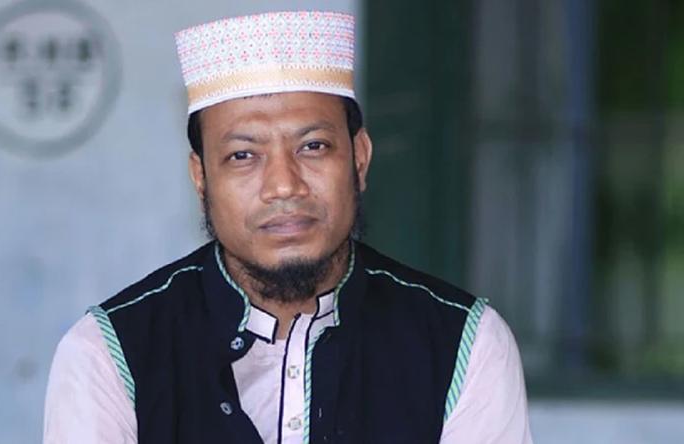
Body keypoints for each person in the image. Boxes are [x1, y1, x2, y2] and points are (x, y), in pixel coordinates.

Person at [43, 10, 532, 444]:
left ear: (359, 159)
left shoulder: (462, 342)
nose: (283, 185)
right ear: (201, 178)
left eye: (313, 147)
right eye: (243, 155)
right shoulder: (108, 354)